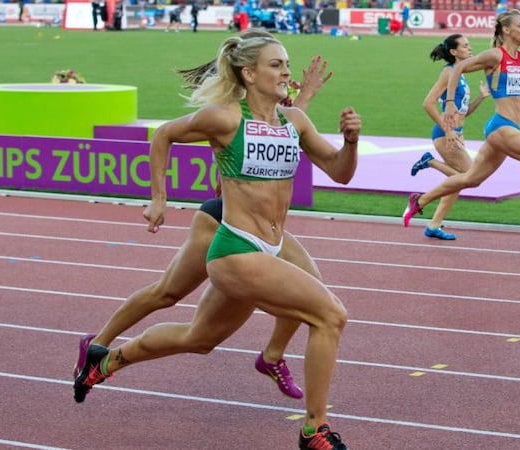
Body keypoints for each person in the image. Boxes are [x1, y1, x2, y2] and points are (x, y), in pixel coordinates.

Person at [74, 35, 357, 449]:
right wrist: (158, 199)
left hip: (271, 245)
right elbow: (163, 135)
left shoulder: (294, 121)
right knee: (330, 315)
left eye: (286, 64)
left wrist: (349, 143)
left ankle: (109, 362)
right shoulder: (225, 118)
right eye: (276, 65)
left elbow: (340, 172)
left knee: (200, 339)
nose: (286, 72)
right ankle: (314, 429)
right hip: (236, 250)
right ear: (249, 73)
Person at [402, 10, 520, 246]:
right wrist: (451, 103)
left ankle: (420, 201)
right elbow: (457, 69)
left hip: (509, 128)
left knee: (471, 179)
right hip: (501, 128)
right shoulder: (495, 55)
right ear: (506, 30)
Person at [409, 34, 490, 240]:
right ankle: (431, 162)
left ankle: (434, 226)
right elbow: (428, 103)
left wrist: (481, 97)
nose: (470, 48)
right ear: (454, 52)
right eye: (465, 46)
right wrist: (447, 130)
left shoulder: (460, 74)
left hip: (456, 134)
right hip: (446, 136)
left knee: (457, 182)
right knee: (471, 177)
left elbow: (463, 112)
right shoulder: (448, 72)